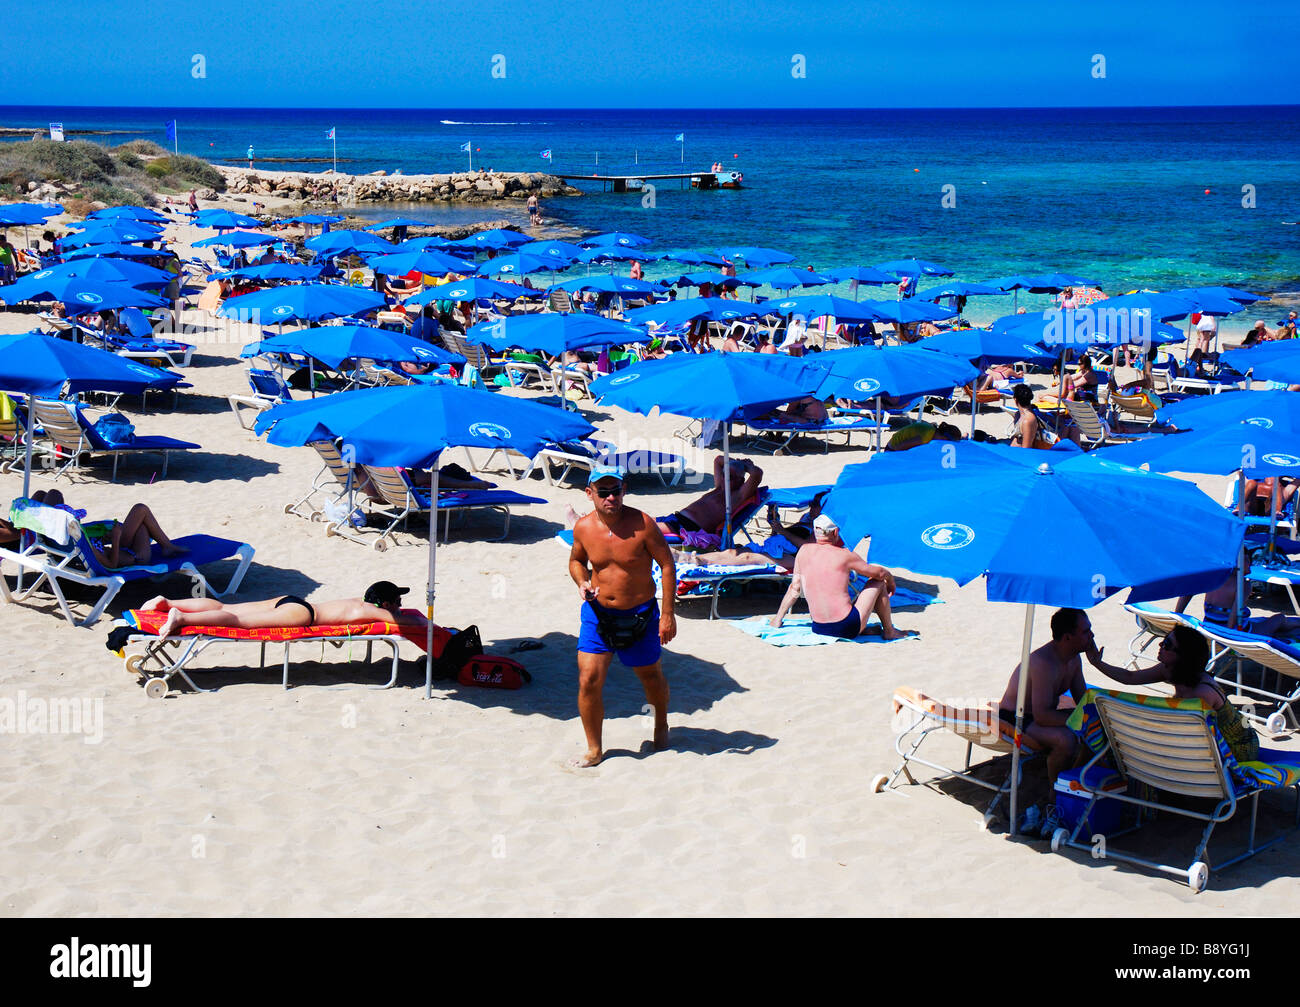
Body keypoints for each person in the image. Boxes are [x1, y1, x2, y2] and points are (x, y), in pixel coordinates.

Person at [568, 465, 676, 768]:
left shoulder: (643, 524)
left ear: (624, 490)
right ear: (590, 494)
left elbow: (667, 564)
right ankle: (594, 749)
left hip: (640, 614)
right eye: (603, 492)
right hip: (598, 615)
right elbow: (576, 560)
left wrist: (667, 614)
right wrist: (581, 582)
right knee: (588, 679)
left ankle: (660, 725)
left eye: (616, 490)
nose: (611, 497)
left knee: (651, 677)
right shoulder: (584, 528)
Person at [1085, 625, 1259, 765]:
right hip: (1207, 739)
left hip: (1238, 747)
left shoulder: (1201, 693)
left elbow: (1191, 736)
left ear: (1183, 656)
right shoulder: (1169, 669)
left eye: (1167, 644)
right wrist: (1097, 663)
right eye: (1164, 640)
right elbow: (1130, 677)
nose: (1160, 645)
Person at [998, 607, 1092, 791]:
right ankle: (1054, 794)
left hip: (1043, 713)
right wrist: (1080, 721)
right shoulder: (1043, 663)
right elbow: (1041, 716)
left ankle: (1072, 780)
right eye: (1086, 631)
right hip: (1016, 716)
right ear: (1067, 637)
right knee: (1066, 740)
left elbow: (1083, 700)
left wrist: (1097, 662)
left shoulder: (1074, 658)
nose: (1092, 635)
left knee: (1096, 726)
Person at [770, 514, 905, 640]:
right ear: (835, 532)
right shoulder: (844, 555)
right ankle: (889, 631)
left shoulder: (803, 551)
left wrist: (778, 618)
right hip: (846, 626)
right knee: (878, 582)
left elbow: (795, 588)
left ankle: (864, 629)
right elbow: (879, 574)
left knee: (844, 599)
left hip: (819, 627)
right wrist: (890, 579)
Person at [144, 581, 427, 639]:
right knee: (237, 620)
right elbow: (408, 625)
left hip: (289, 599)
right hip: (303, 614)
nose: (400, 606)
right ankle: (181, 617)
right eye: (397, 601)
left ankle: (168, 602)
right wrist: (425, 620)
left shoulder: (359, 599)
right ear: (387, 604)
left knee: (226, 606)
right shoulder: (377, 611)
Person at [655, 455, 763, 544]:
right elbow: (718, 460)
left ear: (741, 481)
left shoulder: (738, 496)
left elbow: (757, 473)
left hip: (686, 528)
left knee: (644, 527)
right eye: (724, 475)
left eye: (731, 477)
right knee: (640, 519)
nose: (725, 479)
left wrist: (746, 466)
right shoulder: (719, 487)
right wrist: (736, 462)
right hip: (674, 518)